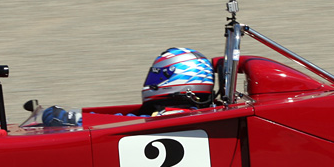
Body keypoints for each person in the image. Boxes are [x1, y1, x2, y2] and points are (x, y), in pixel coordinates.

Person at [39, 47, 215, 127]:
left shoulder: (173, 117)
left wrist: (70, 118)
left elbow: (121, 122)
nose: (152, 80)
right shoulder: (191, 113)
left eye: (158, 75)